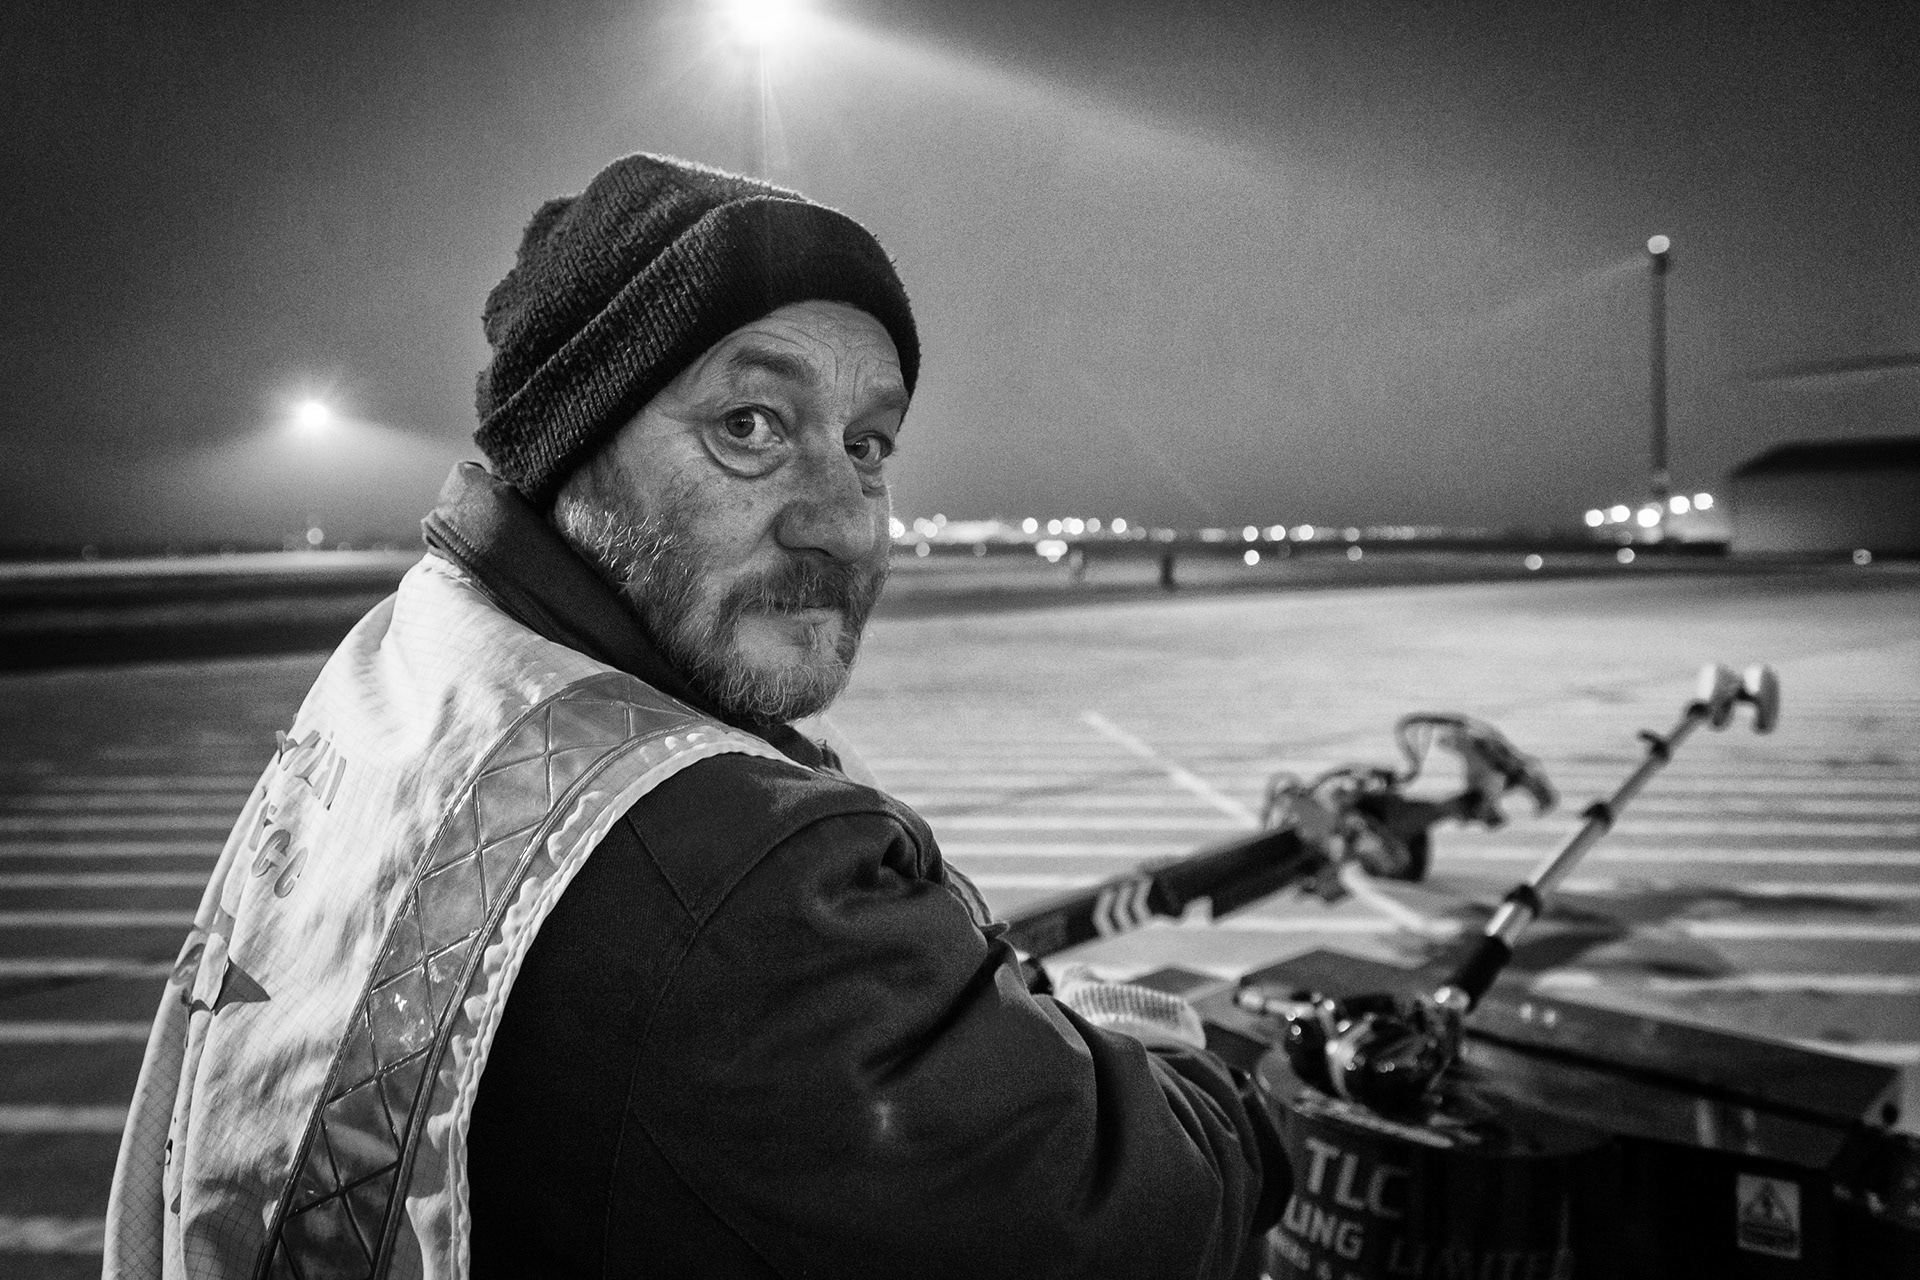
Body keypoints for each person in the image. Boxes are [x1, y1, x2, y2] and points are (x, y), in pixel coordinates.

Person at [105, 153, 1289, 1279]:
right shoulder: (738, 873)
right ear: (570, 448)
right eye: (749, 425)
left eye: (868, 444)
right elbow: (1124, 1217)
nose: (846, 520)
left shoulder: (419, 656)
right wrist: (1257, 1089)